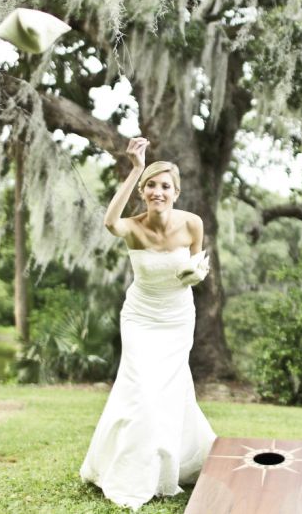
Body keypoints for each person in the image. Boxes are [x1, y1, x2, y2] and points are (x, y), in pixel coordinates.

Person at [80, 137, 216, 511]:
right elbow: (109, 221)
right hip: (140, 317)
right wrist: (136, 167)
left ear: (176, 192)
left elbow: (198, 266)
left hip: (176, 319)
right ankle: (128, 472)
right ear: (143, 191)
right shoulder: (133, 227)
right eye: (151, 186)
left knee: (168, 392)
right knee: (140, 390)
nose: (158, 192)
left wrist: (195, 274)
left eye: (165, 186)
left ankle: (167, 464)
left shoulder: (192, 224)